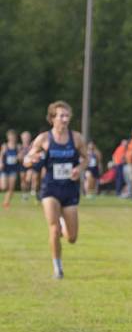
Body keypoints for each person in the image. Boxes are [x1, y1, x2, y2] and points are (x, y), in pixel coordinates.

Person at [23, 102, 84, 279]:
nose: (65, 119)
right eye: (61, 116)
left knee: (72, 237)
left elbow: (85, 159)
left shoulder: (77, 138)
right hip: (50, 188)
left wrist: (78, 170)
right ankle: (57, 267)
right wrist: (30, 160)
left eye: (67, 116)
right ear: (52, 118)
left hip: (70, 189)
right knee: (54, 229)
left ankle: (64, 225)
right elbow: (27, 159)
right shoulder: (44, 139)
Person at [2, 130, 21, 207]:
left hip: (13, 168)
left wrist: (19, 157)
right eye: (10, 136)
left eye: (13, 137)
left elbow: (20, 157)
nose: (12, 138)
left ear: (15, 138)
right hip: (5, 168)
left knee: (11, 187)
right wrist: (1, 163)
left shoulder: (18, 146)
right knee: (3, 186)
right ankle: (6, 199)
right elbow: (1, 155)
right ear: (8, 137)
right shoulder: (5, 146)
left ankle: (6, 202)